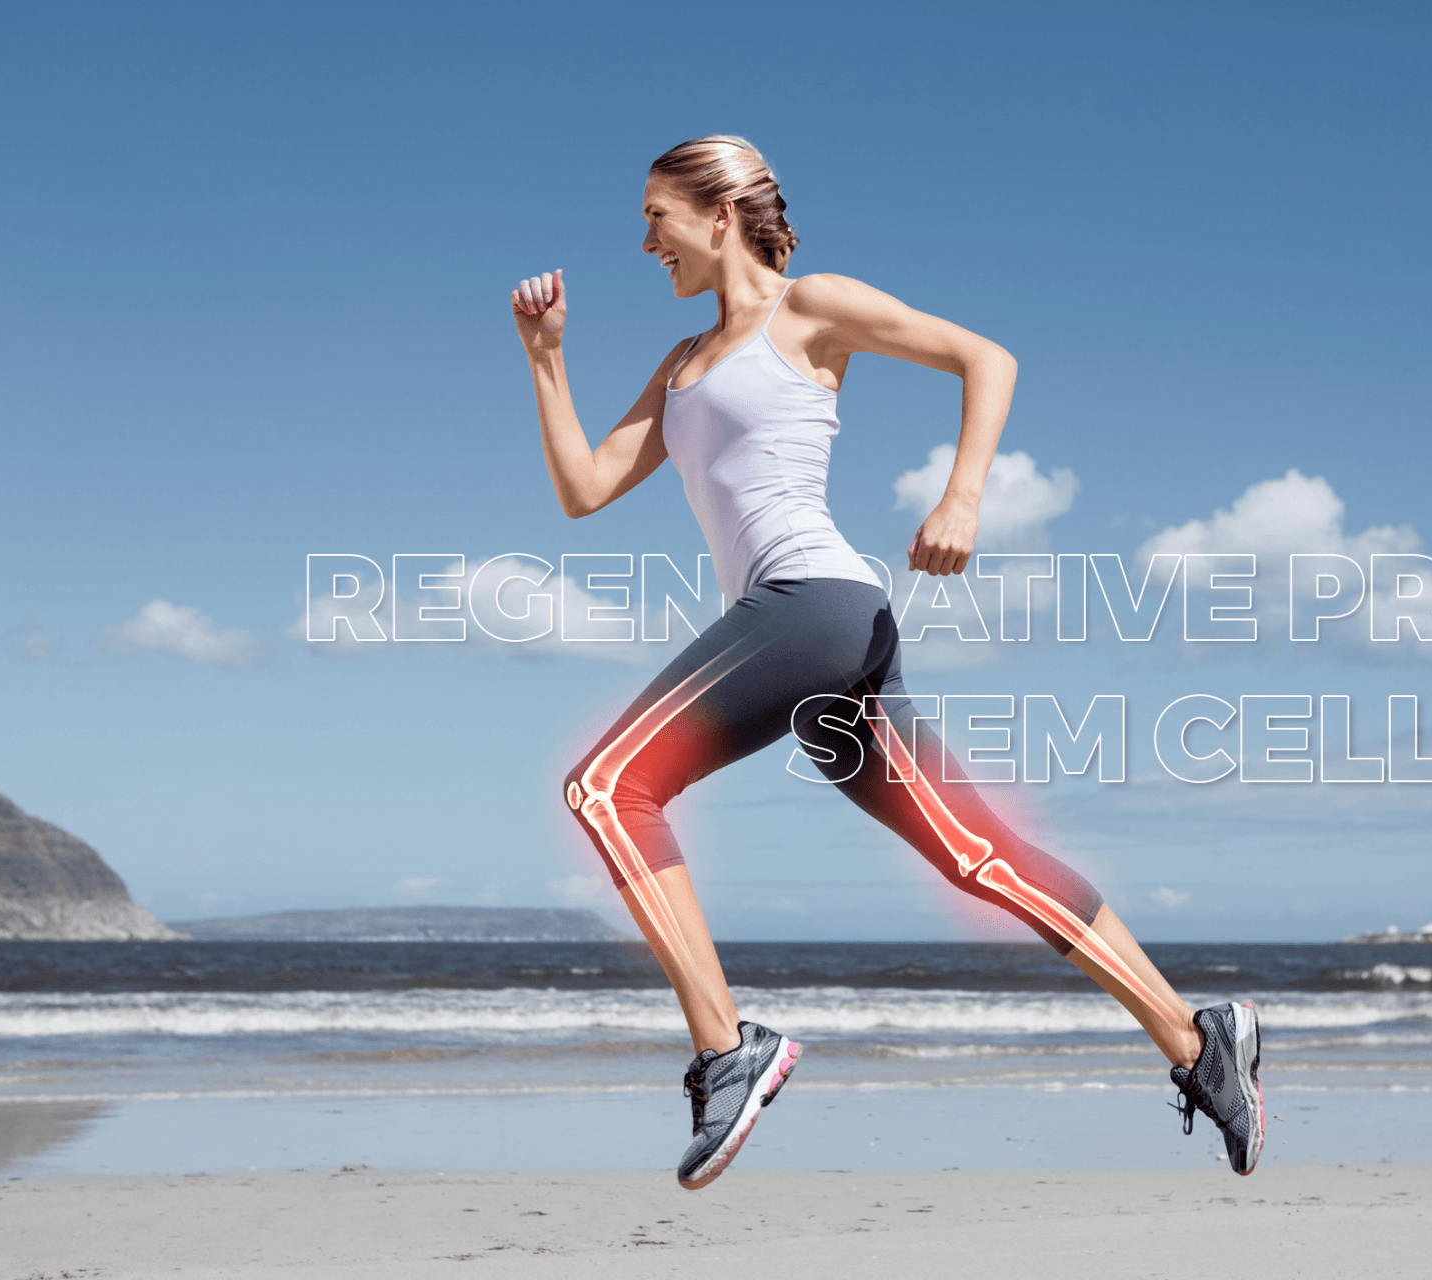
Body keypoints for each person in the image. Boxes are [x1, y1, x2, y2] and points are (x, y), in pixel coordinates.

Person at [511, 136, 1263, 1189]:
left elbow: (985, 357)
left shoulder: (810, 307)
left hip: (814, 607)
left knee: (606, 785)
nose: (645, 242)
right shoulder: (679, 367)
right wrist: (546, 359)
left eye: (657, 218)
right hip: (825, 638)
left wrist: (962, 497)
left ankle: (730, 1049)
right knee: (980, 858)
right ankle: (1199, 1039)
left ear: (720, 214)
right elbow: (585, 486)